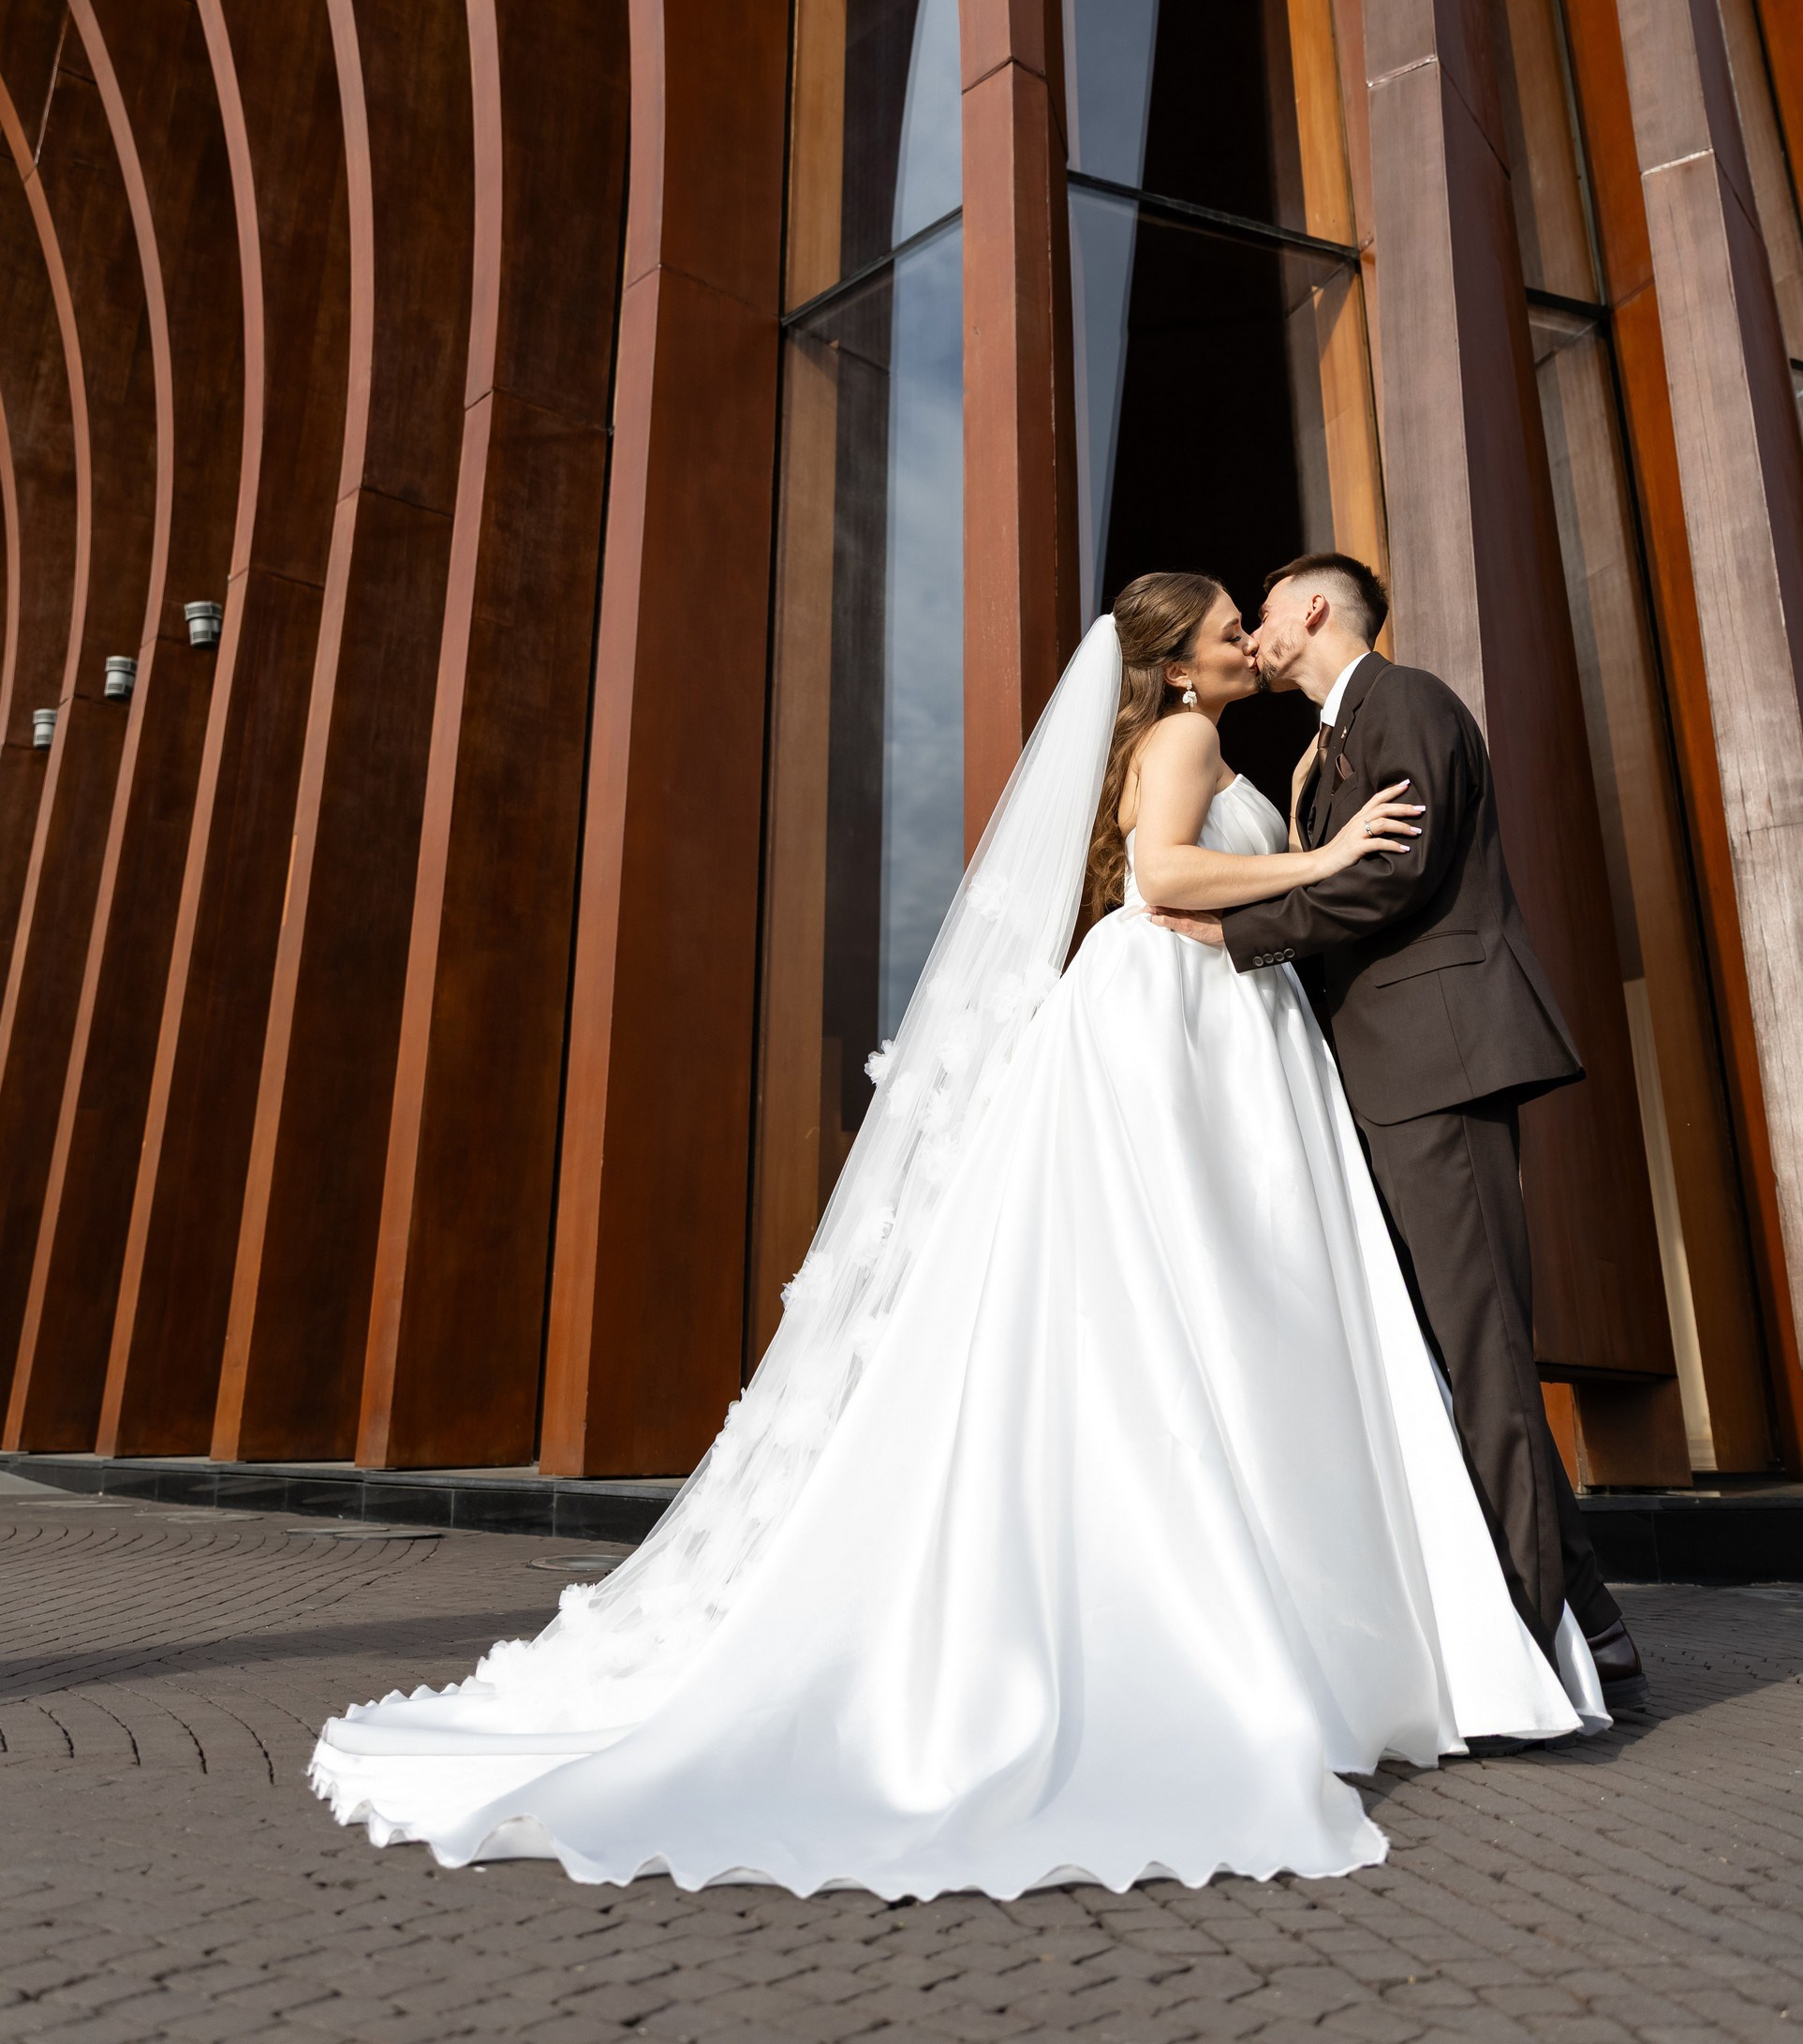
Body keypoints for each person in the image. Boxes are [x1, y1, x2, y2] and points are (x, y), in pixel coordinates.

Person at [312, 574, 1606, 1901]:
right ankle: (1445, 1621)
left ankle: (1507, 1613)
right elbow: (1164, 877)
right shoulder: (1188, 740)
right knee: (1217, 1297)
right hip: (1175, 1015)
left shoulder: (1313, 732)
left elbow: (1201, 883)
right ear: (1173, 666)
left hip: (1222, 1020)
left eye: (1256, 622)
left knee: (1262, 1304)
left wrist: (1278, 890)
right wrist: (1322, 860)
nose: (1247, 643)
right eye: (1229, 628)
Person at [1152, 553, 1645, 1714]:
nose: (1255, 629)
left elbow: (1397, 874)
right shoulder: (1324, 743)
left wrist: (1240, 937)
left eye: (1262, 610)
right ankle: (1597, 1628)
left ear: (1312, 608)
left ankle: (1529, 1654)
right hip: (1386, 1075)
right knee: (1454, 1357)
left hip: (1439, 1061)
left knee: (1480, 1353)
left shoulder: (1405, 701)